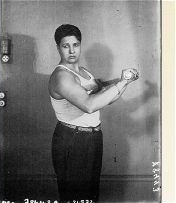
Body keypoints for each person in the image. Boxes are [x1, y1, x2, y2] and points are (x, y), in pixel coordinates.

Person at [48, 24, 139, 202]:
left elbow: (105, 98)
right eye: (66, 46)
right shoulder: (62, 76)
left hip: (91, 137)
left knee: (90, 194)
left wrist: (124, 81)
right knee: (75, 196)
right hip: (72, 139)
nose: (72, 51)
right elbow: (89, 105)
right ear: (58, 47)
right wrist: (122, 82)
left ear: (80, 45)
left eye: (76, 45)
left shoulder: (84, 72)